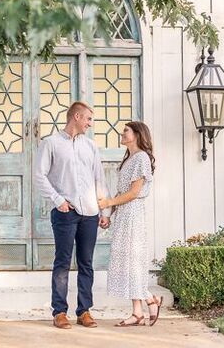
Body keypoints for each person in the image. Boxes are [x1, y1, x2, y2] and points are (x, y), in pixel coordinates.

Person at [33, 101, 111, 329]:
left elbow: (99, 179)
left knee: (86, 263)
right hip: (65, 213)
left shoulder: (90, 146)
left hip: (90, 213)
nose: (90, 123)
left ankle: (84, 311)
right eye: (88, 118)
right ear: (76, 117)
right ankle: (59, 312)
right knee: (62, 262)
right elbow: (39, 175)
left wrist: (104, 211)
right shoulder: (51, 144)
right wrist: (58, 201)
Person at [98, 121, 163, 327]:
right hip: (124, 215)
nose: (122, 133)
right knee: (127, 263)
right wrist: (109, 213)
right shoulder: (128, 159)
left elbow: (134, 193)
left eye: (126, 130)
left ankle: (150, 300)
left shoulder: (142, 158)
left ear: (137, 134)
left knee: (133, 262)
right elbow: (121, 192)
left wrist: (108, 202)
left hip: (134, 216)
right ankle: (138, 311)